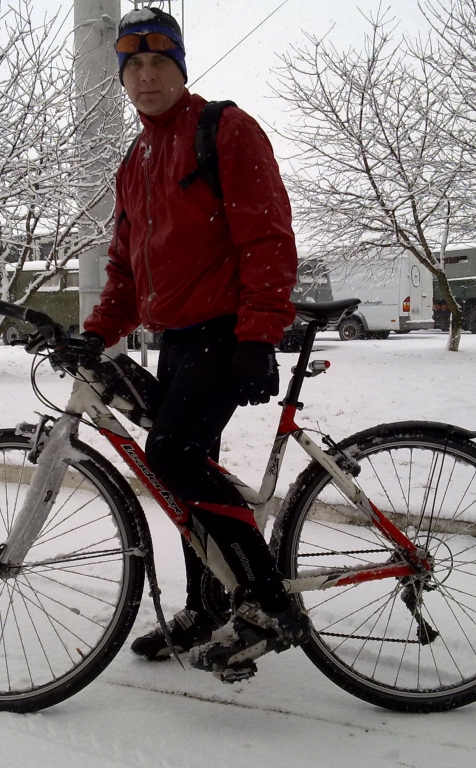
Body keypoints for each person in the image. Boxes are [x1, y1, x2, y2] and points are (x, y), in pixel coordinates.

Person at [82, 7, 309, 682]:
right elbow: (126, 270)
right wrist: (95, 333)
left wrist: (259, 335)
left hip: (225, 332)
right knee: (187, 474)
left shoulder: (224, 129)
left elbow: (267, 237)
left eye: (160, 62)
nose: (146, 76)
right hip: (176, 340)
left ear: (180, 69)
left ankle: (269, 606)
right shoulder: (136, 161)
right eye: (134, 66)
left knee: (172, 455)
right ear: (122, 77)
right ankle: (208, 607)